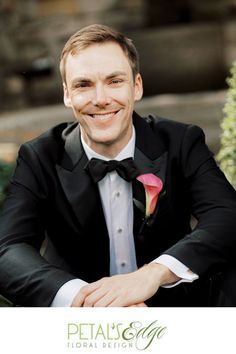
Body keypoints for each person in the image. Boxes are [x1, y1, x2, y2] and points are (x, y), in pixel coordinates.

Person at [0, 24, 236, 307]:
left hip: (171, 315)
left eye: (114, 81)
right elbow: (8, 249)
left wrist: (151, 275)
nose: (100, 99)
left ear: (136, 87)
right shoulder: (40, 156)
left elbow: (227, 215)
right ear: (67, 94)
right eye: (83, 84)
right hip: (79, 329)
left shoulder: (181, 141)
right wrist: (85, 300)